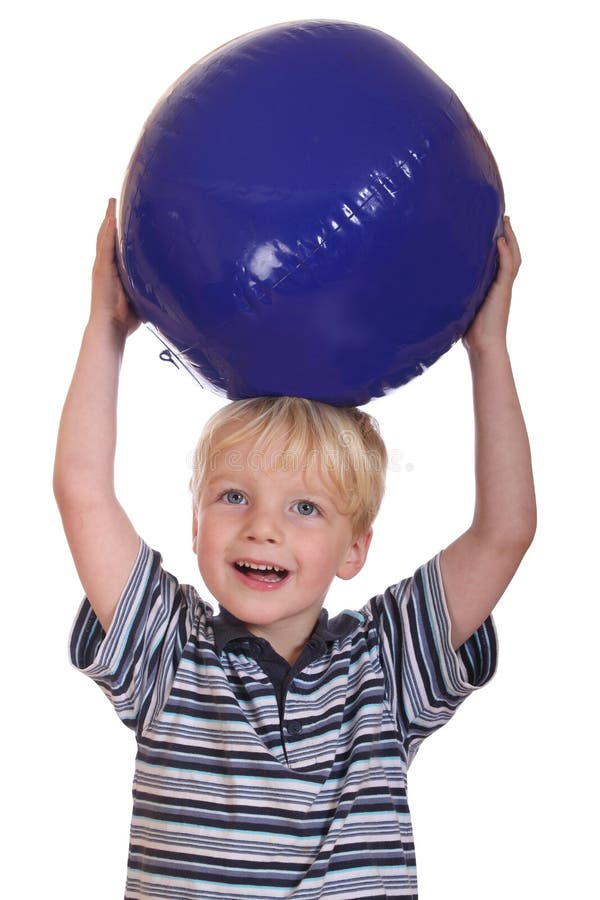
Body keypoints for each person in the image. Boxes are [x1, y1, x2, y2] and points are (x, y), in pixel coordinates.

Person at [54, 197, 536, 898]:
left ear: (354, 548)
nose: (263, 527)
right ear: (194, 525)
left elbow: (505, 533)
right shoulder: (163, 650)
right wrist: (105, 328)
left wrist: (489, 350)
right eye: (233, 497)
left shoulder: (386, 665)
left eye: (305, 507)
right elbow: (83, 491)